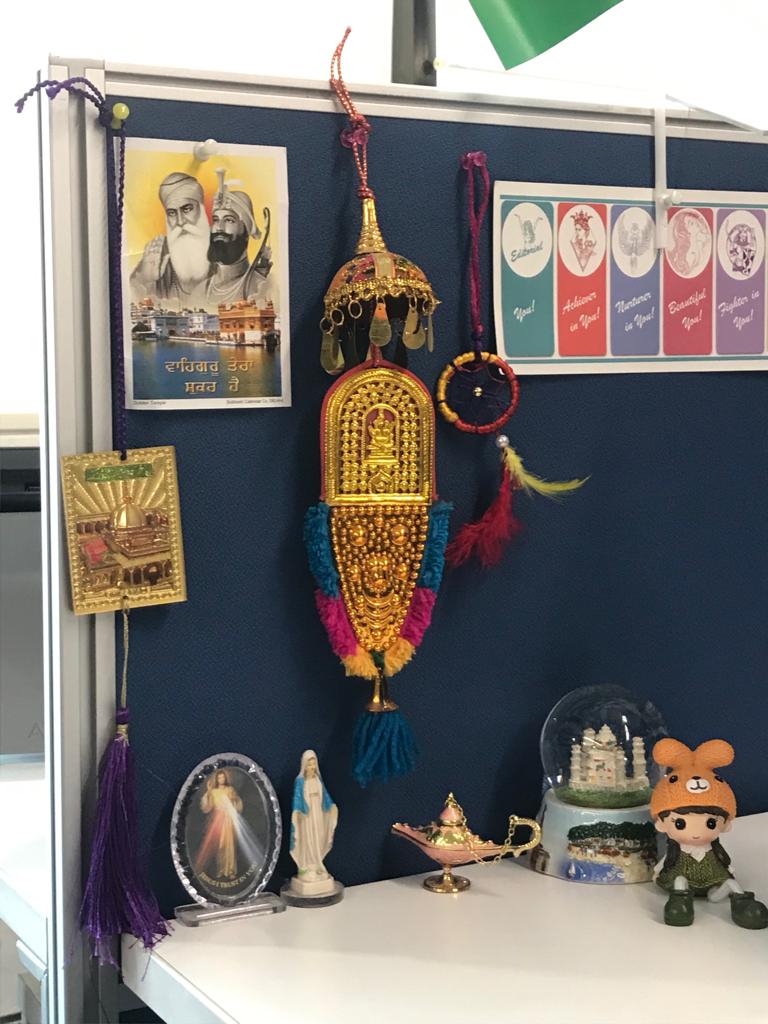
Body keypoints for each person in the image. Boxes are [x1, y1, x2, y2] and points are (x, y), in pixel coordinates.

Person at [651, 737, 767, 928]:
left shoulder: (715, 853)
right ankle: (680, 903)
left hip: (713, 882)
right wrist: (658, 871)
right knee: (679, 880)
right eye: (680, 823)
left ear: (726, 824)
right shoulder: (675, 854)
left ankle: (743, 903)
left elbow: (725, 866)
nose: (696, 833)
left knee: (730, 884)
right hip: (682, 878)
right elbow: (664, 864)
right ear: (661, 824)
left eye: (710, 823)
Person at [130, 172, 212, 305]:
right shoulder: (156, 256)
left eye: (187, 209)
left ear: (202, 209)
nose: (180, 221)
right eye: (172, 213)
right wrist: (144, 279)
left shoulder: (226, 249)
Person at [206, 170, 272, 305]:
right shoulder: (201, 289)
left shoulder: (261, 286)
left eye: (229, 220)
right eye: (216, 220)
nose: (219, 228)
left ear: (246, 229)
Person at [289, 750, 338, 893]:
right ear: (304, 766)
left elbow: (325, 798)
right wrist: (297, 812)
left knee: (318, 838)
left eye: (313, 764)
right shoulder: (300, 782)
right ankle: (307, 866)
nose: (312, 767)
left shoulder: (317, 780)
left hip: (318, 815)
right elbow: (297, 800)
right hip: (306, 818)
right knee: (308, 840)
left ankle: (317, 864)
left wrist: (332, 807)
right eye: (309, 764)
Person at [195, 768, 243, 880]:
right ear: (217, 779)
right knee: (219, 845)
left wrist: (234, 799)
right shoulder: (213, 791)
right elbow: (207, 807)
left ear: (226, 778)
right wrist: (208, 791)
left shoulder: (230, 789)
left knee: (229, 845)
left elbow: (238, 804)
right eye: (219, 777)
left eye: (223, 777)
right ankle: (221, 870)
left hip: (228, 820)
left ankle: (230, 871)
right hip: (217, 820)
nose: (221, 779)